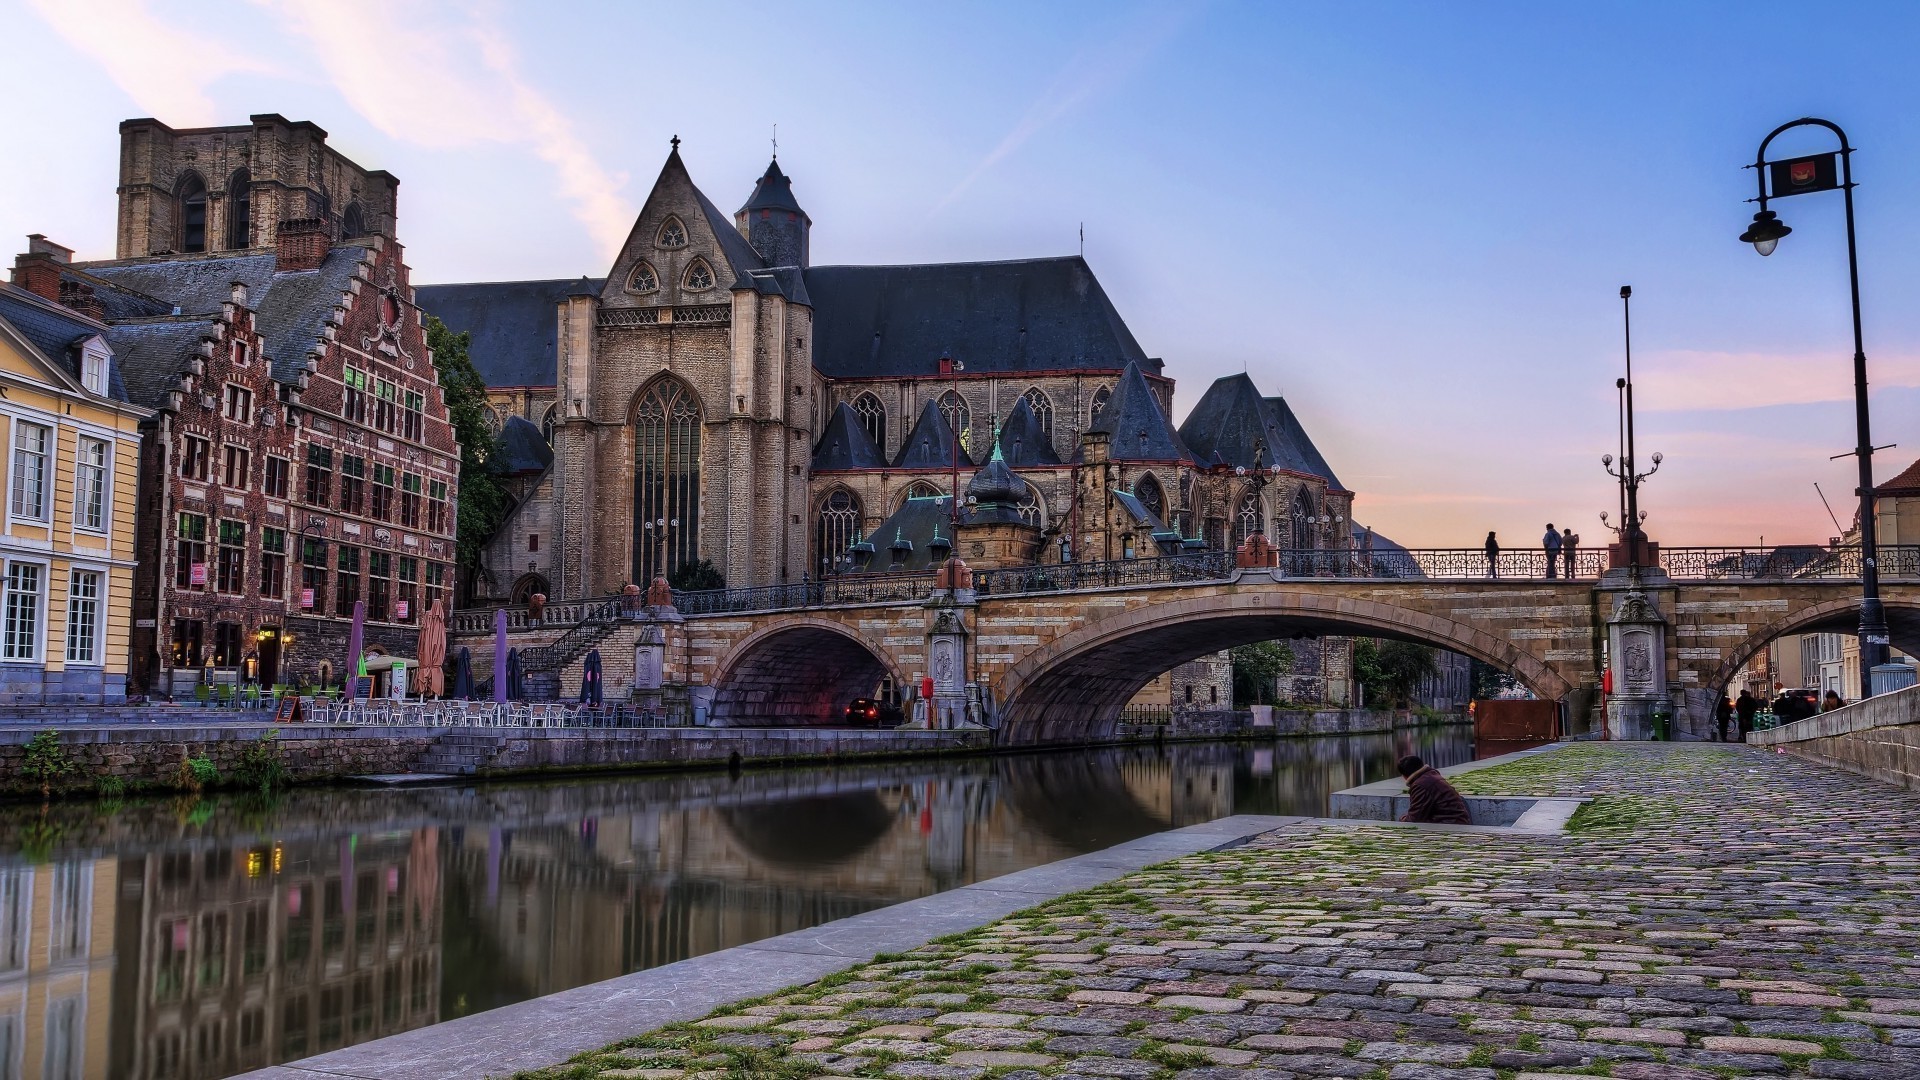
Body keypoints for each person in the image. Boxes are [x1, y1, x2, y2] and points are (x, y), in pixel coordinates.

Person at [1398, 755, 1472, 824]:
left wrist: (1402, 818)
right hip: (1457, 820)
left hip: (1450, 825)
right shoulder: (1431, 775)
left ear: (1404, 776)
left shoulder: (1420, 785)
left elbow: (1414, 819)